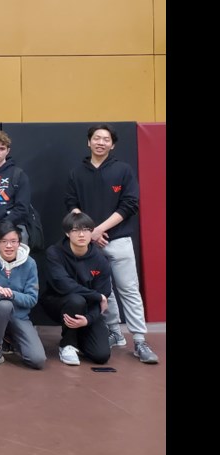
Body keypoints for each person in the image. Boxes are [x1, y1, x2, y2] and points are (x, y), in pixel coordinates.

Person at [64, 124, 158, 364]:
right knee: (102, 292)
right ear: (89, 142)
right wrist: (89, 233)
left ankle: (139, 340)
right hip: (90, 245)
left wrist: (98, 230)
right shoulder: (77, 173)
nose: (101, 142)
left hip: (119, 240)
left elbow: (129, 205)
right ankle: (114, 332)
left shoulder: (123, 171)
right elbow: (71, 203)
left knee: (128, 289)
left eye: (106, 139)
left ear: (112, 145)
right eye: (97, 138)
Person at [0, 221, 46, 370]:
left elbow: (32, 299)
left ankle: (10, 339)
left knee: (38, 360)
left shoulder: (30, 263)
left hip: (19, 317)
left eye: (13, 241)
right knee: (3, 304)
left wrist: (11, 294)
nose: (9, 246)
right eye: (4, 241)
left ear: (19, 242)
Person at [40, 212, 113, 367]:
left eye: (86, 229)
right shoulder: (55, 252)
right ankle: (67, 345)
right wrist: (97, 296)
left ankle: (80, 334)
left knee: (101, 355)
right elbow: (64, 285)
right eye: (75, 230)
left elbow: (104, 295)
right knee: (75, 299)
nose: (81, 234)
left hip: (88, 308)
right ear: (67, 233)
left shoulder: (101, 260)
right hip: (57, 302)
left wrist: (89, 319)